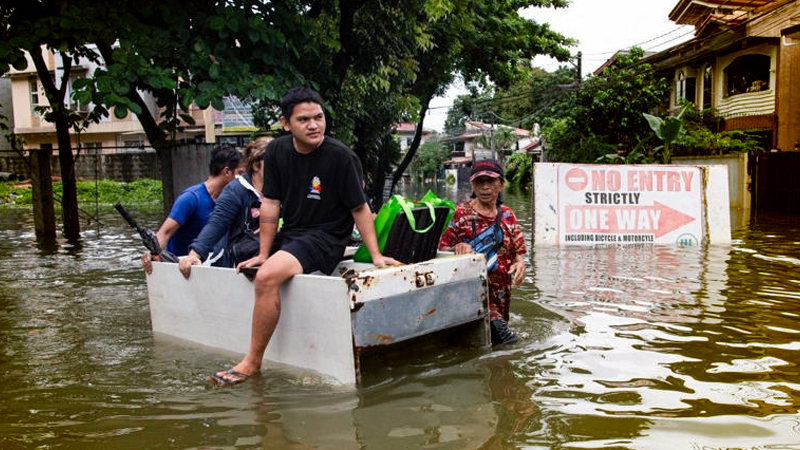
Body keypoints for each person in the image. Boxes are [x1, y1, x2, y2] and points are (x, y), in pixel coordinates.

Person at [207, 87, 399, 386]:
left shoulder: (340, 157)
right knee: (247, 258)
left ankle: (252, 362)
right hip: (293, 232)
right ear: (286, 124)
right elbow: (270, 203)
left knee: (267, 276)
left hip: (325, 238)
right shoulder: (278, 151)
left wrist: (375, 255)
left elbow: (360, 208)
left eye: (319, 118)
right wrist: (262, 252)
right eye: (304, 119)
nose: (314, 125)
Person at [438, 159, 527, 345]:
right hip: (473, 290)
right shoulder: (460, 213)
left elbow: (518, 250)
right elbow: (440, 250)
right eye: (480, 182)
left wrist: (519, 264)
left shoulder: (508, 214)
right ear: (472, 185)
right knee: (504, 338)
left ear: (501, 184)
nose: (485, 187)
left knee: (493, 338)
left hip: (502, 290)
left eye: (491, 181)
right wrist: (457, 248)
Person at [142, 144, 243, 274]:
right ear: (227, 172)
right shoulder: (191, 198)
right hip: (181, 268)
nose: (243, 179)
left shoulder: (231, 201)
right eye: (240, 173)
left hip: (211, 266)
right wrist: (151, 255)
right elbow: (165, 233)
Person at [178, 137, 269, 277]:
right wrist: (194, 254)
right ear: (256, 166)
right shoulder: (236, 190)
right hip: (237, 259)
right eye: (275, 162)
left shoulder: (285, 188)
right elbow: (217, 223)